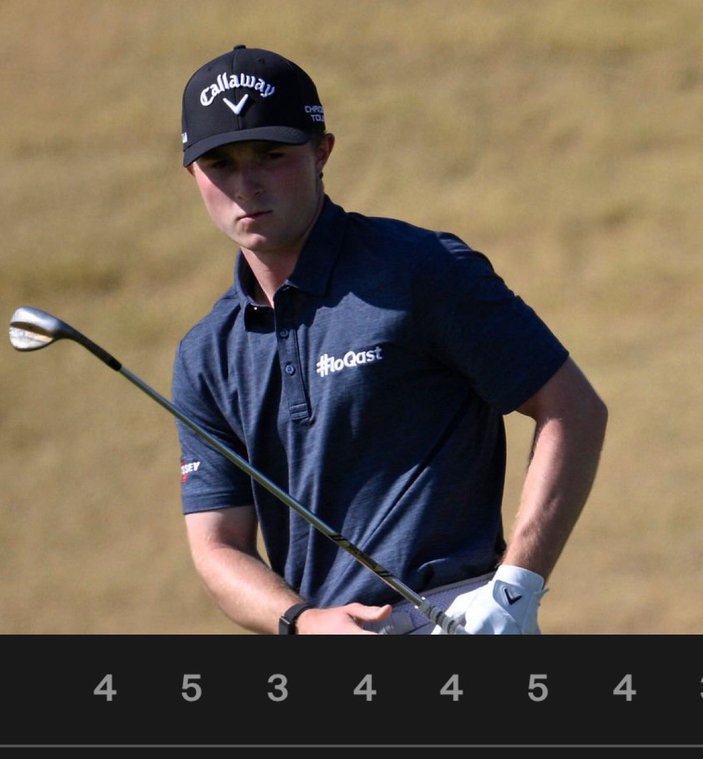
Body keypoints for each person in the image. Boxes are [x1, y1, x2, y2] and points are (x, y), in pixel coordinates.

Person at [173, 46, 607, 635]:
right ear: (194, 175)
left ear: (321, 151)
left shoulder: (420, 270)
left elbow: (573, 408)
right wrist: (302, 621)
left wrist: (514, 589)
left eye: (271, 156)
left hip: (461, 620)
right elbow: (218, 545)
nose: (246, 185)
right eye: (220, 164)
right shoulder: (206, 355)